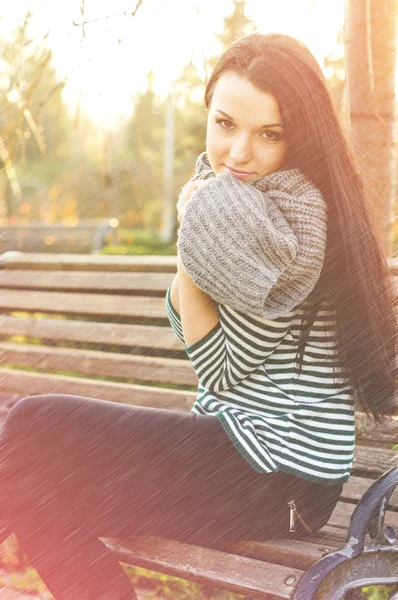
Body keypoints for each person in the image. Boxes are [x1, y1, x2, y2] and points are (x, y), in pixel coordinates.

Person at [0, 32, 396, 600]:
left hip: (279, 477)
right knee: (37, 487)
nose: (237, 153)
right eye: (225, 123)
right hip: (247, 458)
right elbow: (197, 328)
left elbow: (220, 369)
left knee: (36, 422)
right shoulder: (239, 206)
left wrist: (192, 236)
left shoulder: (292, 227)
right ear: (207, 112)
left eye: (269, 134)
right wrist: (200, 230)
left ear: (301, 137)